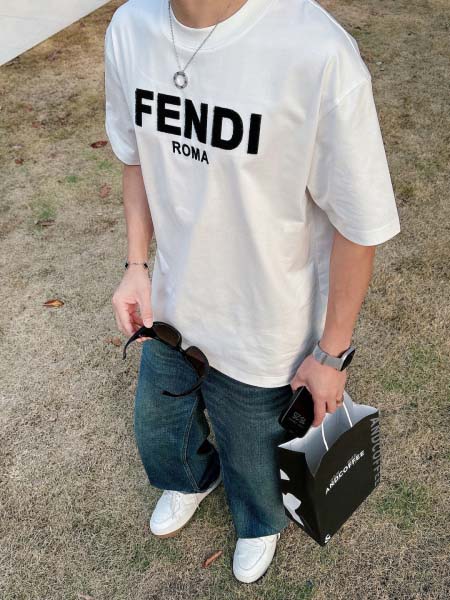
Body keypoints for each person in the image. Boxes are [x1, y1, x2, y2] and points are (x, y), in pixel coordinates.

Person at [104, 0, 401, 584]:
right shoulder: (130, 27)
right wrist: (137, 263)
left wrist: (331, 354)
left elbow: (358, 224)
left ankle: (259, 522)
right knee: (161, 427)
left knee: (255, 461)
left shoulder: (318, 53)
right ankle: (192, 479)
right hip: (171, 302)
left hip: (266, 321)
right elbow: (135, 154)